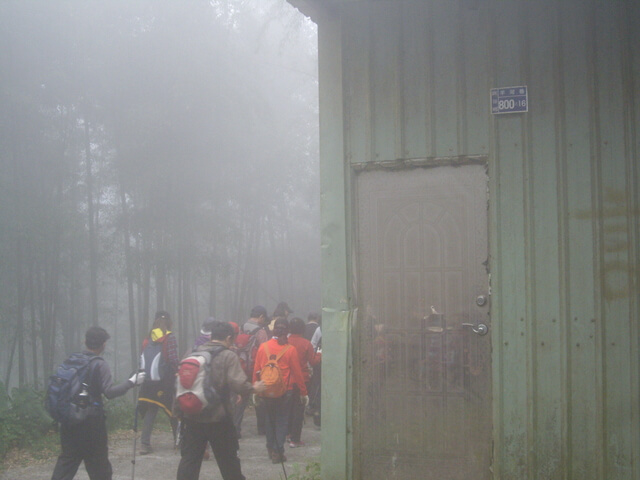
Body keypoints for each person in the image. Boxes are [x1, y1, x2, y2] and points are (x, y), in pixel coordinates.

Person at [51, 326, 146, 480]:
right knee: (99, 467)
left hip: (69, 420)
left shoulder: (72, 360)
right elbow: (109, 392)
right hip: (91, 424)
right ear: (103, 345)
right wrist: (131, 382)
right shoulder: (99, 364)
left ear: (85, 341)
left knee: (66, 463)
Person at [176, 321, 265, 480]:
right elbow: (238, 383)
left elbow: (180, 381)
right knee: (228, 462)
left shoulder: (192, 352)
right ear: (229, 338)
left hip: (192, 416)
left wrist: (177, 411)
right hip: (218, 418)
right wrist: (254, 388)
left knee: (189, 461)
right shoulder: (228, 355)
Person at [253, 317, 307, 463]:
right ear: (287, 331)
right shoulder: (290, 350)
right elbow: (297, 373)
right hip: (285, 391)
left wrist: (255, 389)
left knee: (269, 420)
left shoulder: (263, 347)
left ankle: (270, 449)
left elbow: (256, 370)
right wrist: (303, 392)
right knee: (282, 421)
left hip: (265, 388)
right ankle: (278, 451)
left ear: (273, 330)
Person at [138, 310, 179, 455]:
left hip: (148, 382)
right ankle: (178, 442)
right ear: (169, 322)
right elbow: (173, 359)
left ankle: (145, 444)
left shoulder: (147, 339)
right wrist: (178, 372)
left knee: (151, 410)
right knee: (172, 410)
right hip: (165, 381)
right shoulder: (170, 337)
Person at [233, 306, 270, 437]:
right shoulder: (260, 331)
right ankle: (262, 428)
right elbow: (265, 351)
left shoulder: (241, 327)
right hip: (253, 369)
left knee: (238, 399)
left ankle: (235, 427)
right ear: (261, 317)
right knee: (255, 395)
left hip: (238, 367)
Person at [286, 317, 321, 448]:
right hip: (302, 380)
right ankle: (295, 439)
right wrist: (320, 352)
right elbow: (313, 361)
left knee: (287, 409)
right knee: (298, 410)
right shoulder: (306, 344)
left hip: (286, 381)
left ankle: (288, 434)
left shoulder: (285, 342)